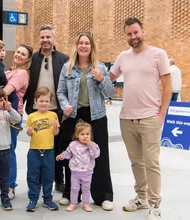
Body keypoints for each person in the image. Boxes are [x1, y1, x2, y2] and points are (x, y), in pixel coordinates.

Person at [109, 17, 172, 220]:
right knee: (136, 162)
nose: (133, 37)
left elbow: (168, 87)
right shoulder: (123, 57)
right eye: (129, 34)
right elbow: (108, 78)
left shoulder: (158, 54)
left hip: (149, 118)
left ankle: (155, 204)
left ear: (142, 31)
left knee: (151, 163)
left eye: (136, 32)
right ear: (126, 35)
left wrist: (161, 114)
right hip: (127, 118)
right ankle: (141, 197)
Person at [57, 31, 115, 210]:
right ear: (76, 46)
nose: (83, 46)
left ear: (91, 47)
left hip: (96, 116)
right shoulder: (67, 67)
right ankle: (70, 193)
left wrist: (101, 79)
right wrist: (65, 105)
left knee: (99, 154)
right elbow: (61, 92)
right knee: (72, 153)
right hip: (73, 116)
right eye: (81, 43)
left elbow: (110, 93)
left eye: (87, 43)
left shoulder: (101, 68)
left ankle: (102, 196)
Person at [25, 24, 68, 193]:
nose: (45, 40)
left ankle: (58, 179)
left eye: (48, 37)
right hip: (36, 110)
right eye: (42, 37)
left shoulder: (63, 59)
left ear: (53, 38)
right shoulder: (33, 59)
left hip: (56, 110)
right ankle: (39, 181)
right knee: (38, 147)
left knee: (56, 147)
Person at [1, 43, 33, 200]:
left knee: (8, 152)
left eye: (23, 54)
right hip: (1, 114)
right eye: (18, 52)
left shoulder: (21, 74)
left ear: (27, 59)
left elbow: (4, 91)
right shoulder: (9, 71)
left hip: (12, 115)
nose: (19, 55)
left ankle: (10, 186)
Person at [26, 87, 60, 212]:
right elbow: (30, 133)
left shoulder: (53, 115)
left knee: (48, 176)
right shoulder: (31, 116)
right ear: (36, 101)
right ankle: (33, 199)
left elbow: (56, 133)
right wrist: (29, 132)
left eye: (46, 101)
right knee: (33, 175)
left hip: (48, 151)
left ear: (50, 102)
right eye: (41, 100)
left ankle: (47, 199)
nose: (44, 103)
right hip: (34, 150)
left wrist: (56, 128)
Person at [56, 120, 100, 212]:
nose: (85, 136)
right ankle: (73, 203)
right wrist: (62, 155)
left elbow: (95, 155)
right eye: (82, 134)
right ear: (77, 135)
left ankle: (86, 203)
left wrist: (90, 145)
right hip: (75, 172)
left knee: (86, 189)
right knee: (74, 188)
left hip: (87, 172)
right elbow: (68, 153)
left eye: (87, 134)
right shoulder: (73, 145)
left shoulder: (93, 145)